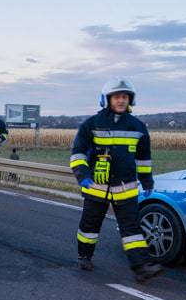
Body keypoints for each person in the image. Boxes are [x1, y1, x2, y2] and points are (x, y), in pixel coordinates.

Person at [69, 77, 164, 282]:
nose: (121, 100)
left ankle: (142, 268)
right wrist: (83, 176)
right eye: (117, 97)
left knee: (131, 229)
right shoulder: (91, 124)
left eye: (125, 96)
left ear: (131, 100)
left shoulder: (138, 127)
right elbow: (77, 153)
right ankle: (84, 256)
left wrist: (147, 181)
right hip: (96, 186)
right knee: (90, 225)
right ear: (107, 99)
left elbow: (143, 159)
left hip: (126, 188)